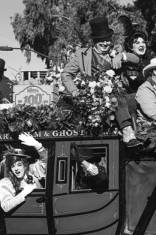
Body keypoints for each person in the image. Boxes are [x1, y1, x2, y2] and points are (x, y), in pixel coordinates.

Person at [61, 16, 141, 147]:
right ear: (94, 40)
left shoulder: (117, 50)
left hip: (118, 98)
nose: (105, 43)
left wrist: (121, 56)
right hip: (95, 100)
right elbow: (66, 74)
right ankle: (127, 131)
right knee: (115, 96)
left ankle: (150, 132)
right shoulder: (82, 54)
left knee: (142, 96)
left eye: (107, 40)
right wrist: (74, 91)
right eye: (101, 40)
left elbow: (136, 59)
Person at [0, 133, 47, 212]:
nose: (16, 169)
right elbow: (5, 206)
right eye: (13, 166)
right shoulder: (6, 182)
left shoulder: (33, 171)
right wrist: (24, 193)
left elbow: (45, 161)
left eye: (19, 165)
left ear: (25, 165)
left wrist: (37, 145)